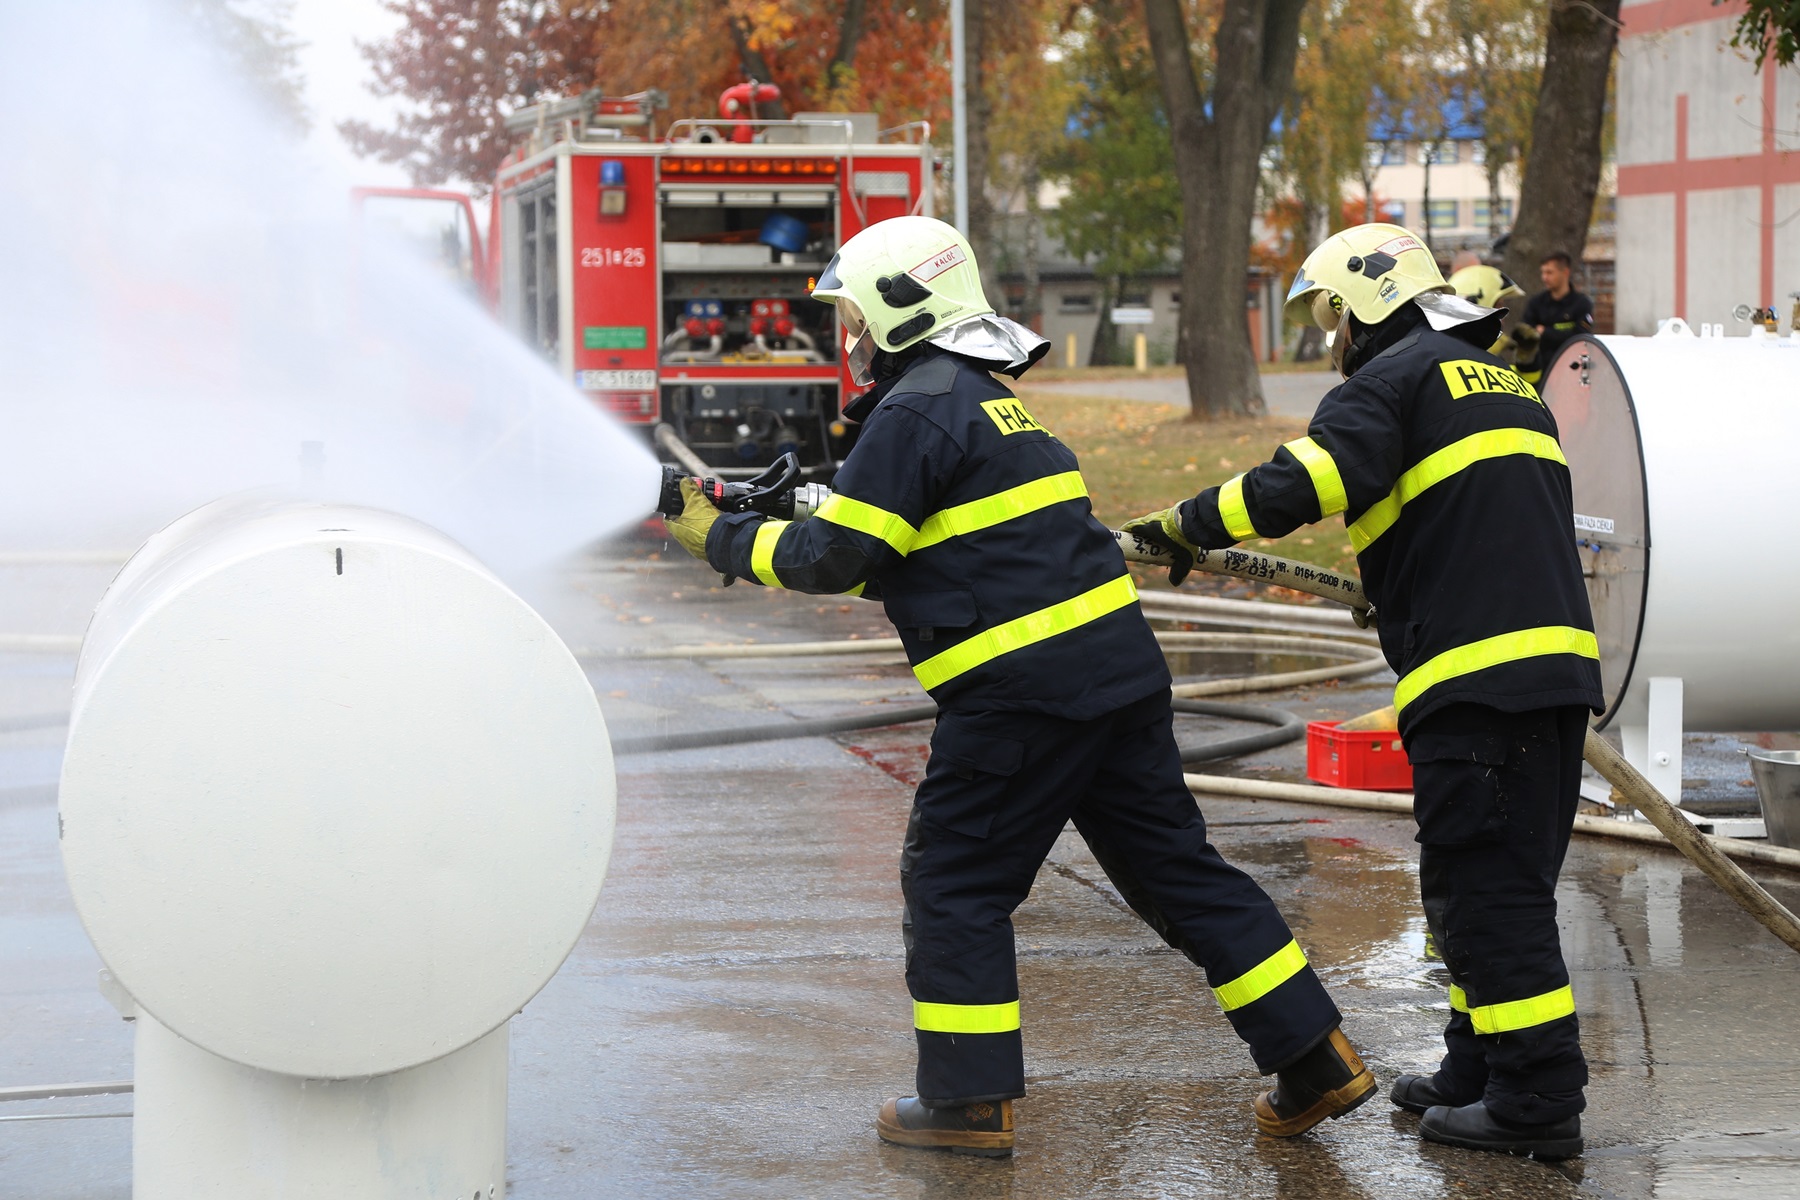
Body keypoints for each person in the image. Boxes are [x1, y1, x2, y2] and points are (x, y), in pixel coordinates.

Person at [664, 216, 1374, 1158]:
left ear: (898, 309)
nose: (852, 342)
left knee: (954, 878)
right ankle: (1318, 1058)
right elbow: (934, 557)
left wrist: (712, 538)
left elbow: (839, 558)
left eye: (856, 319)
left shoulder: (914, 408)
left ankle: (965, 1102)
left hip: (1022, 699)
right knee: (1181, 875)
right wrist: (768, 517)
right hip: (1115, 682)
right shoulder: (990, 402)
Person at [1123, 223, 1603, 1162]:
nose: (1331, 335)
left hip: (1477, 678)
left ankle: (1539, 1099)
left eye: (1332, 314)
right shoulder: (1499, 382)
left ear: (1363, 305)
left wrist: (1184, 526)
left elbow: (1302, 483)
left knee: (1487, 889)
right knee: (1480, 882)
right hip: (1549, 674)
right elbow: (1468, 516)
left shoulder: (1394, 380)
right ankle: (1479, 1068)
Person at [1517, 251, 1594, 385]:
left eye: (1549, 272)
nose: (1544, 277)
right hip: (1540, 374)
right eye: (1543, 272)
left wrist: (1545, 332)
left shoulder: (1581, 304)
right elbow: (1525, 334)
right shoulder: (1536, 303)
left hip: (1571, 373)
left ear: (1565, 272)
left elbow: (1581, 337)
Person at [1446, 263, 1526, 362]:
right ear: (1477, 306)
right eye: (1499, 307)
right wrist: (1486, 354)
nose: (1504, 316)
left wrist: (1527, 363)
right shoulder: (1450, 354)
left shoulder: (1440, 347)